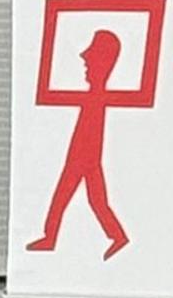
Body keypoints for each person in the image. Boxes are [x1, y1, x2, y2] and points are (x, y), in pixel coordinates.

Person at [26, 30, 132, 261]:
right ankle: (116, 235)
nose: (83, 58)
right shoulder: (94, 97)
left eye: (91, 54)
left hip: (84, 155)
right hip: (83, 153)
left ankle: (53, 237)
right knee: (95, 200)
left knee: (68, 195)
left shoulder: (99, 97)